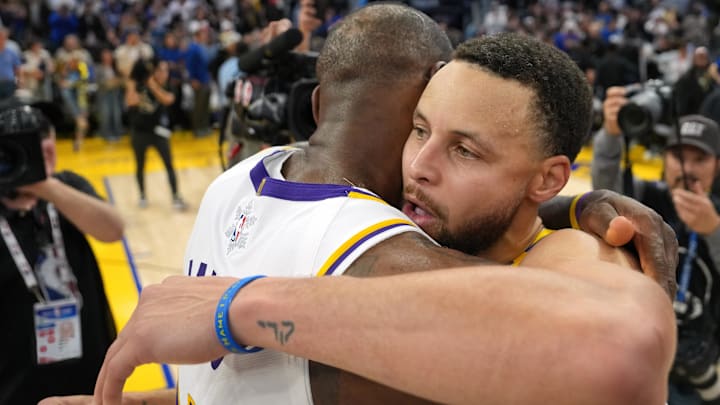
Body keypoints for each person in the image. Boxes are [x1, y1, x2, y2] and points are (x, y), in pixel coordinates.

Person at [45, 5, 676, 405]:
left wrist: (237, 306)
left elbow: (615, 353)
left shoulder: (573, 251)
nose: (418, 165)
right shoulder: (420, 240)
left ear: (547, 178)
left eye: (466, 151)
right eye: (419, 128)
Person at [593, 86, 720, 404]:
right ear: (665, 158)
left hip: (699, 372)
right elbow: (605, 188)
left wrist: (714, 230)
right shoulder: (646, 198)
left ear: (716, 165)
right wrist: (611, 134)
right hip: (636, 356)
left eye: (699, 159)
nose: (687, 168)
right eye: (679, 156)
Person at [0, 101, 125, 404]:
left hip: (86, 361)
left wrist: (46, 187)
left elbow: (112, 229)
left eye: (46, 135)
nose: (43, 145)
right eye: (28, 139)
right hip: (14, 374)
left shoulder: (67, 186)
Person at [125, 58, 187, 210]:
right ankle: (142, 195)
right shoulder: (139, 86)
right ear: (153, 72)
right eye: (160, 70)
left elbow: (167, 99)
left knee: (169, 164)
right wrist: (133, 81)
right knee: (140, 165)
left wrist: (152, 85)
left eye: (166, 70)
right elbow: (131, 101)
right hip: (139, 132)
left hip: (159, 132)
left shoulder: (169, 86)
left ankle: (176, 196)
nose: (164, 73)